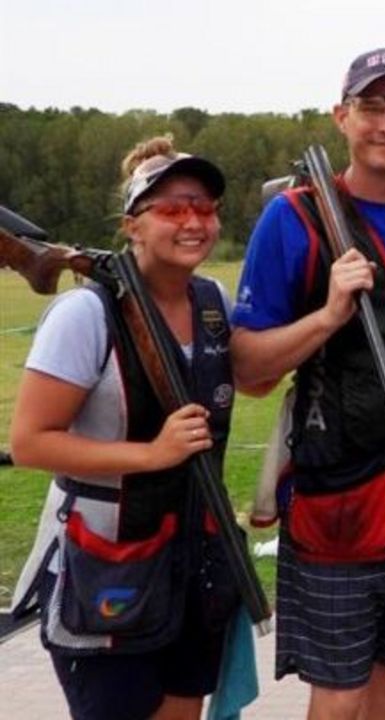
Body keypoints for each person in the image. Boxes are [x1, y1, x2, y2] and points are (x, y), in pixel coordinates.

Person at [230, 48, 385, 720]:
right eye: (371, 106)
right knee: (340, 695)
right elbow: (249, 368)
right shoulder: (295, 217)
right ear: (342, 116)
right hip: (341, 498)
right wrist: (328, 315)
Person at [8, 136, 239, 720]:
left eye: (205, 208)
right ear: (133, 225)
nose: (194, 222)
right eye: (172, 209)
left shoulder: (214, 303)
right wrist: (152, 454)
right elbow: (31, 442)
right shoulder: (85, 313)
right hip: (104, 564)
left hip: (193, 562)